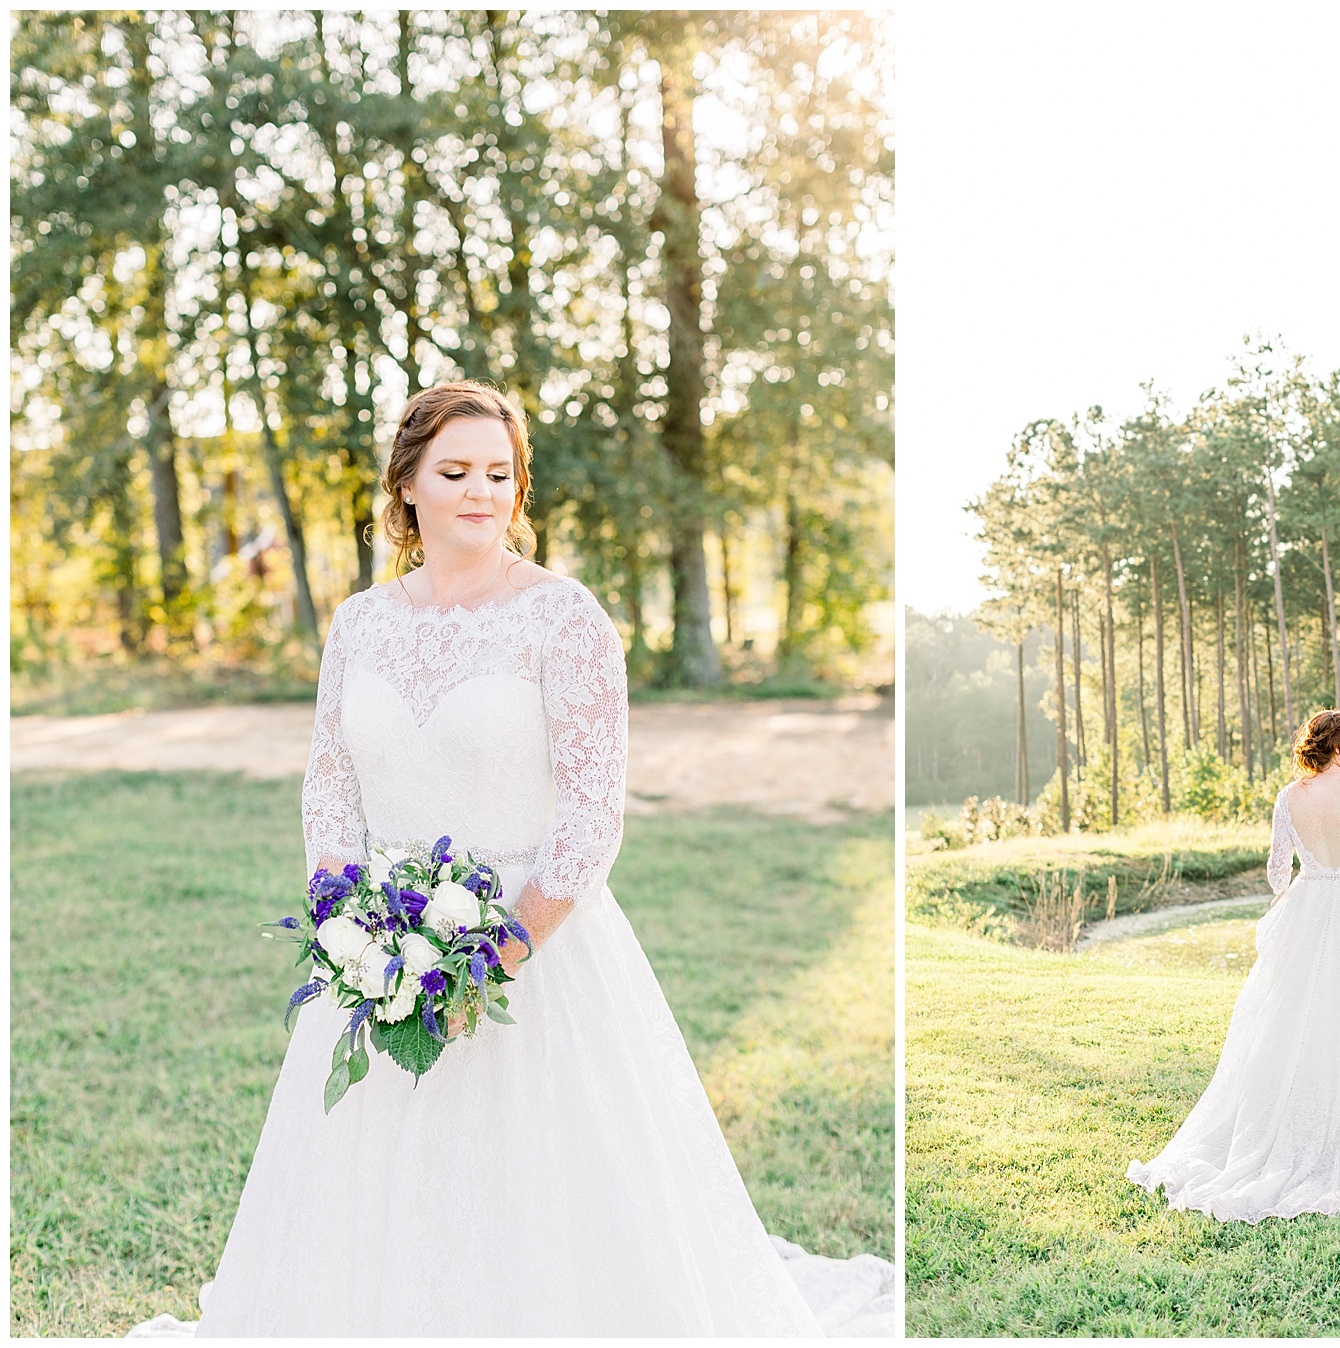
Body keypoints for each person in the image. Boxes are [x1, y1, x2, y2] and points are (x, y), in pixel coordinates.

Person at [186, 382, 873, 1335]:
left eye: (500, 474)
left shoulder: (565, 618)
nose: (480, 492)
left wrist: (492, 959)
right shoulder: (358, 625)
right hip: (382, 950)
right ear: (408, 487)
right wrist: (350, 929)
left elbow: (592, 821)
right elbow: (329, 790)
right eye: (455, 471)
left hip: (532, 956)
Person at [1126, 708, 1340, 1222]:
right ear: (1339, 746)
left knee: (1303, 1023)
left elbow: (1280, 873)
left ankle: (1302, 1128)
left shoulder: (1288, 798)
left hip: (1311, 909)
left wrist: (1291, 906)